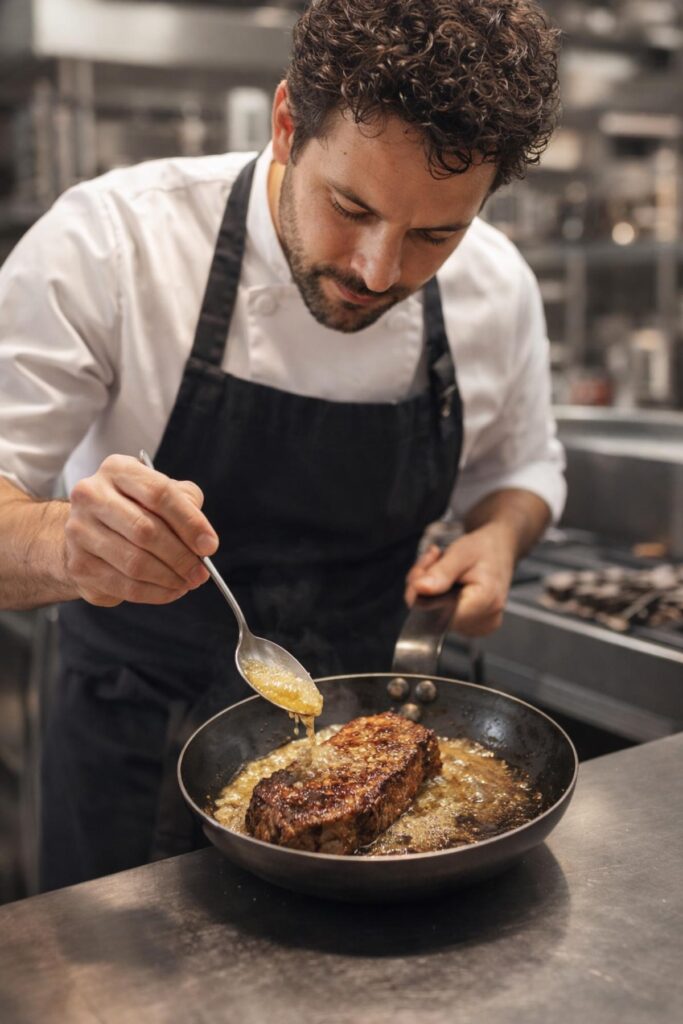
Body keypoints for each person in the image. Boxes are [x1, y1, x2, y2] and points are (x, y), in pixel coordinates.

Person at [0, 0, 565, 890]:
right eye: (350, 206)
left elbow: (523, 469)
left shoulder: (497, 288)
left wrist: (497, 536)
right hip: (131, 752)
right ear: (286, 126)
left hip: (385, 778)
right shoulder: (114, 243)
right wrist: (67, 542)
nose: (378, 270)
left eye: (434, 234)